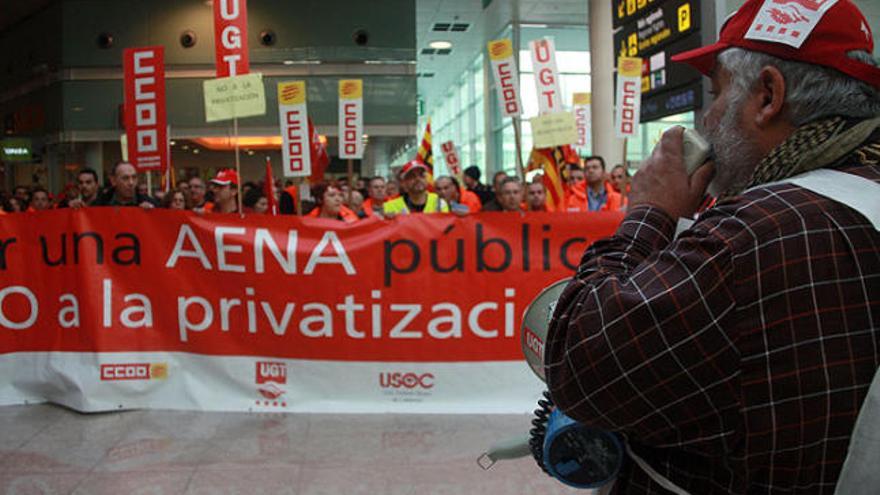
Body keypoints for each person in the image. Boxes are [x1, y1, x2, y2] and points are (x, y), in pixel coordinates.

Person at [544, 1, 880, 494]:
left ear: (768, 95)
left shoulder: (747, 235)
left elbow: (579, 364)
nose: (707, 116)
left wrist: (649, 214)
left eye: (717, 92)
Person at [383, 160, 449, 216]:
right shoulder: (390, 207)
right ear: (404, 183)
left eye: (421, 175)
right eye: (412, 176)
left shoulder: (439, 203)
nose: (418, 179)